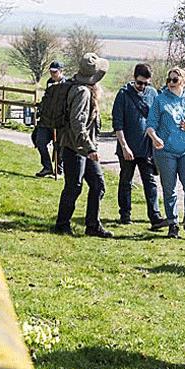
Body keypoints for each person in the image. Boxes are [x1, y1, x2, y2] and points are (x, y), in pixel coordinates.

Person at [53, 54, 114, 238]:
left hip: (82, 147)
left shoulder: (81, 89)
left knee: (98, 185)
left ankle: (92, 225)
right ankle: (62, 224)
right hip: (75, 148)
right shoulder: (82, 92)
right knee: (74, 186)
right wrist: (90, 148)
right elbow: (77, 123)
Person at [146, 67, 185, 239]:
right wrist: (154, 137)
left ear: (183, 81)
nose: (170, 83)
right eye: (168, 80)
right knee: (170, 189)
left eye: (174, 80)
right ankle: (173, 224)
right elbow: (150, 124)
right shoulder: (160, 100)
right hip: (165, 151)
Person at [111, 63, 167, 228]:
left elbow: (157, 119)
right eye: (139, 83)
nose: (142, 87)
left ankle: (155, 216)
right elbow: (117, 124)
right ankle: (125, 214)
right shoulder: (123, 94)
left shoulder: (153, 94)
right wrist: (124, 146)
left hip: (146, 147)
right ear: (134, 79)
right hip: (127, 147)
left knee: (150, 182)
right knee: (126, 181)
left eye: (146, 84)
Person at [32, 62, 66, 178]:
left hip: (60, 122)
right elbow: (47, 100)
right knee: (40, 141)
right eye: (51, 71)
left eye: (55, 71)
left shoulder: (66, 85)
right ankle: (47, 167)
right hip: (46, 120)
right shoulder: (49, 83)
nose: (52, 73)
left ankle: (59, 170)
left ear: (61, 71)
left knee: (59, 147)